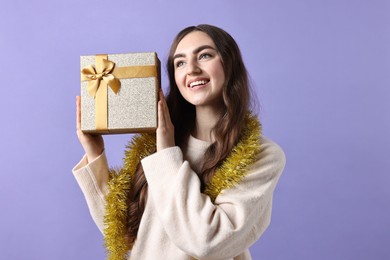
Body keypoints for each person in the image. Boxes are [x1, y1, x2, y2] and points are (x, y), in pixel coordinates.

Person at [73, 24, 286, 260]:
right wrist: (94, 153)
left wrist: (166, 153)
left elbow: (208, 242)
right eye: (180, 62)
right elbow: (125, 234)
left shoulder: (261, 155)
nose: (192, 69)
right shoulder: (151, 147)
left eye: (205, 55)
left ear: (230, 64)